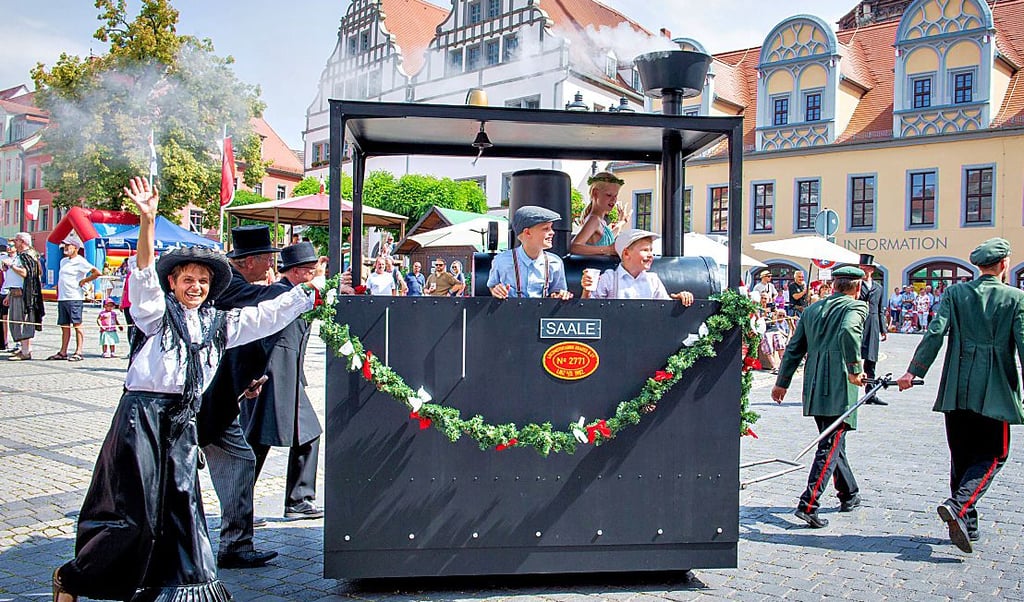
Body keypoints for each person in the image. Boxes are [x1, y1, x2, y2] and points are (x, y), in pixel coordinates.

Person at [52, 176, 322, 602]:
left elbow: (267, 315)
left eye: (201, 281)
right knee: (133, 513)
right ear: (174, 284)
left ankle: (183, 588)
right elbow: (142, 276)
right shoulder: (157, 315)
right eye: (186, 280)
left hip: (182, 420)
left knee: (184, 508)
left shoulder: (219, 324)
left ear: (211, 287)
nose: (194, 287)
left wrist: (312, 291)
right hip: (141, 418)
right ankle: (74, 578)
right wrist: (146, 221)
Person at [897, 238, 1024, 554]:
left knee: (963, 456)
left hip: (957, 386)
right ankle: (959, 505)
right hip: (995, 389)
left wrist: (914, 371)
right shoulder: (1016, 298)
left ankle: (967, 523)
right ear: (1004, 264)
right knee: (995, 454)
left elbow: (935, 333)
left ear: (978, 266)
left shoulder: (954, 293)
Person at [198, 225, 283, 570]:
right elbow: (262, 306)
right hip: (199, 403)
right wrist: (300, 289)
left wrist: (247, 381)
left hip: (219, 401)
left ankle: (235, 543)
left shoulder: (235, 286)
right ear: (247, 262)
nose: (268, 266)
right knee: (172, 477)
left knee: (241, 460)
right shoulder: (231, 286)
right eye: (265, 259)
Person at [772, 265, 868, 529]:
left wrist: (782, 383)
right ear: (857, 287)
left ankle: (849, 493)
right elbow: (849, 332)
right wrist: (855, 369)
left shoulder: (813, 309)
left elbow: (794, 348)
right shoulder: (856, 308)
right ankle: (809, 504)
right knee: (830, 443)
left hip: (814, 383)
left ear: (834, 284)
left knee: (833, 438)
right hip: (839, 382)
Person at [240, 242, 326, 521]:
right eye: (311, 271)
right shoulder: (279, 293)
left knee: (307, 433)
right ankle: (239, 504)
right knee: (258, 441)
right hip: (273, 375)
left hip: (288, 375)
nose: (313, 275)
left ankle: (299, 500)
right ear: (299, 272)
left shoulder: (294, 292)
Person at [581, 229, 694, 305]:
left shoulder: (653, 280)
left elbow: (664, 307)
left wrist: (680, 299)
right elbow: (589, 309)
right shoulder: (609, 278)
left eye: (651, 250)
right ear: (626, 253)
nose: (650, 255)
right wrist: (586, 290)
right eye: (645, 250)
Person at [488, 206, 572, 300]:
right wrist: (496, 291)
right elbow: (492, 285)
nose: (552, 232)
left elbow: (557, 291)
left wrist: (559, 295)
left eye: (551, 228)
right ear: (527, 233)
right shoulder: (501, 260)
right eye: (546, 228)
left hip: (541, 313)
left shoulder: (555, 263)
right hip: (511, 312)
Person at [49, 234, 102, 361]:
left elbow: (97, 272)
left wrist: (85, 280)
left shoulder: (80, 261)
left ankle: (79, 351)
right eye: (65, 245)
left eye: (68, 245)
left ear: (76, 248)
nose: (66, 247)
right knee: (64, 325)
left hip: (74, 296)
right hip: (63, 297)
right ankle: (63, 351)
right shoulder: (63, 261)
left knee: (77, 324)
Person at [5, 232, 44, 361]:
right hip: (15, 292)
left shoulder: (27, 256)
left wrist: (12, 266)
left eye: (16, 240)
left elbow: (26, 273)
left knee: (23, 321)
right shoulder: (21, 255)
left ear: (22, 242)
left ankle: (26, 351)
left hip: (23, 294)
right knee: (16, 321)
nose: (14, 243)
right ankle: (23, 348)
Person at [570, 171, 628, 256]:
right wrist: (608, 249)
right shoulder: (594, 220)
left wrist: (622, 222)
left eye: (615, 196)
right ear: (595, 193)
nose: (613, 200)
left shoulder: (600, 221)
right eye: (609, 195)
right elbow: (574, 247)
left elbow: (608, 237)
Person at [857, 254, 888, 405]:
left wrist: (883, 328)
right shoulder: (855, 285)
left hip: (874, 324)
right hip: (858, 323)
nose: (864, 270)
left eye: (866, 268)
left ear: (871, 270)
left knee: (871, 360)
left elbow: (881, 309)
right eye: (861, 268)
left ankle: (870, 393)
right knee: (853, 358)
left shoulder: (878, 287)